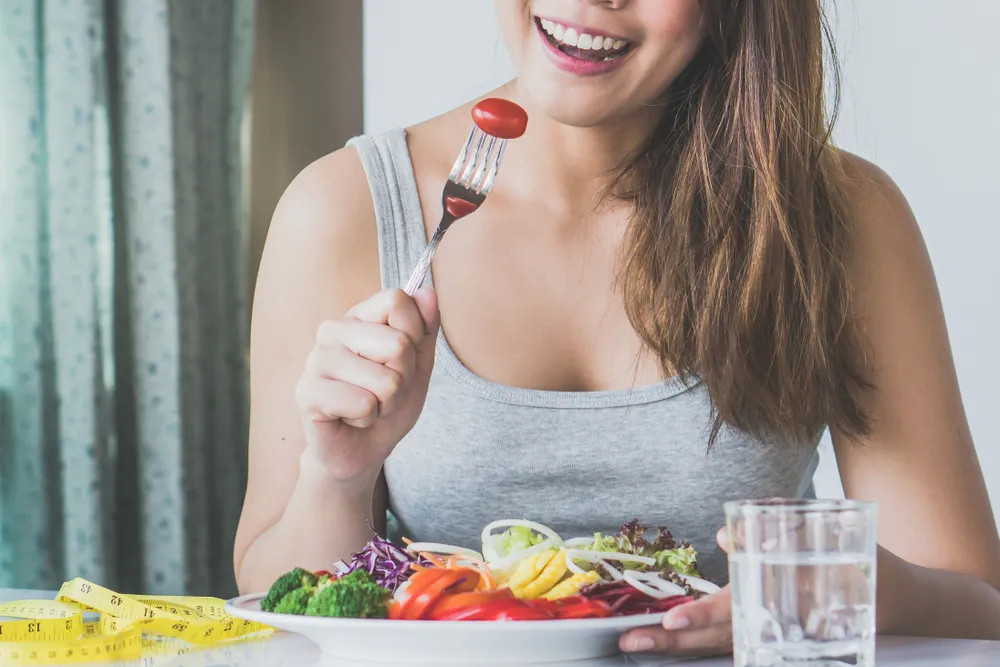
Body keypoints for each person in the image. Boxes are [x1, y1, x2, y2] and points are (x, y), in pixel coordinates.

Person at [234, 0, 1000, 655]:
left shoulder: (840, 219)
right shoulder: (343, 211)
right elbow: (278, 605)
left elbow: (978, 603)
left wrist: (850, 585)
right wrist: (339, 475)